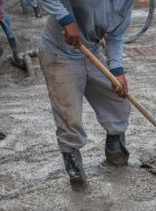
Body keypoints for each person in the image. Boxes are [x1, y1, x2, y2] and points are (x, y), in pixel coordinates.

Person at [39, 0, 135, 185]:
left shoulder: (126, 2)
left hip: (91, 49)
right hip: (59, 52)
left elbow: (116, 35)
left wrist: (117, 70)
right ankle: (77, 177)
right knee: (69, 116)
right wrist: (66, 20)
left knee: (118, 101)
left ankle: (117, 157)